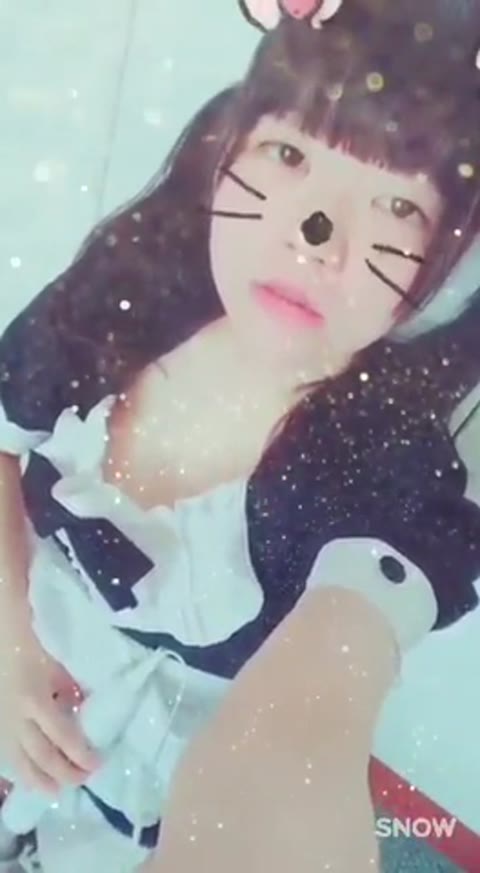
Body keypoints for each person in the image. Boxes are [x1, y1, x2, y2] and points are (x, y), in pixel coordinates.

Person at [0, 0, 480, 870]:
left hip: (124, 821)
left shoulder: (380, 475)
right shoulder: (124, 299)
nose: (315, 236)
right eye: (290, 155)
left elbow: (306, 734)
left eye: (397, 205)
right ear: (228, 150)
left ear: (448, 273)